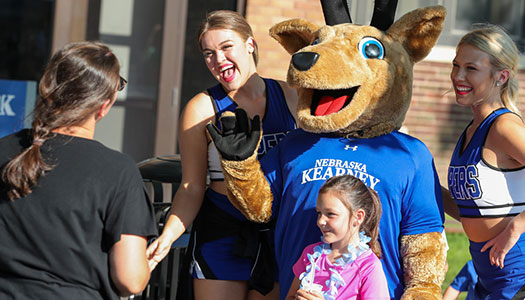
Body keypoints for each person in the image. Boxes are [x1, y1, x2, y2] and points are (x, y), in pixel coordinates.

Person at [146, 10, 298, 300]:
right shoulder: (201, 109)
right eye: (208, 53)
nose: (218, 60)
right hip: (222, 231)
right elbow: (191, 187)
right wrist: (167, 237)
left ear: (250, 45)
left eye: (226, 47)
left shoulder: (290, 96)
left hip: (278, 232)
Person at [0, 41, 157, 300]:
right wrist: (145, 266)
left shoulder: (6, 150)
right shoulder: (117, 171)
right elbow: (130, 281)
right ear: (104, 105)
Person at [444, 24, 525, 299]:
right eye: (456, 66)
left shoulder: (504, 127)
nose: (458, 76)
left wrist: (516, 227)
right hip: (488, 276)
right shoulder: (471, 130)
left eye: (471, 68)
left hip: (518, 273)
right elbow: (472, 211)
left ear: (501, 76)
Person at [286, 175, 389, 300]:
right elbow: (290, 296)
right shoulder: (311, 255)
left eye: (330, 214)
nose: (320, 221)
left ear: (358, 217)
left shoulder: (368, 266)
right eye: (319, 213)